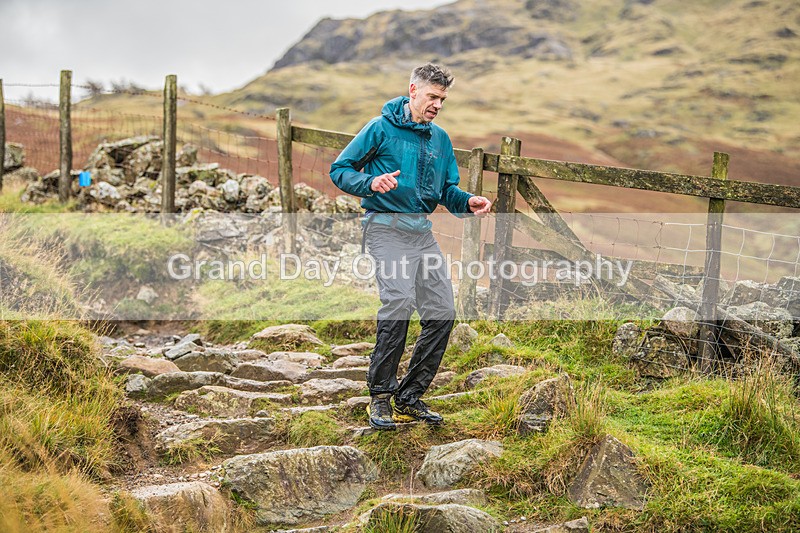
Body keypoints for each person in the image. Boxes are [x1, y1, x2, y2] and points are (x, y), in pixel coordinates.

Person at [329, 63, 492, 430]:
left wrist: (467, 202)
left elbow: (447, 191)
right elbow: (340, 170)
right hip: (384, 229)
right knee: (399, 301)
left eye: (443, 99)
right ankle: (381, 396)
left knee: (442, 313)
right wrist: (371, 184)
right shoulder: (380, 128)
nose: (438, 105)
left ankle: (409, 396)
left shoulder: (441, 140)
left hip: (421, 234)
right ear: (413, 91)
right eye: (432, 96)